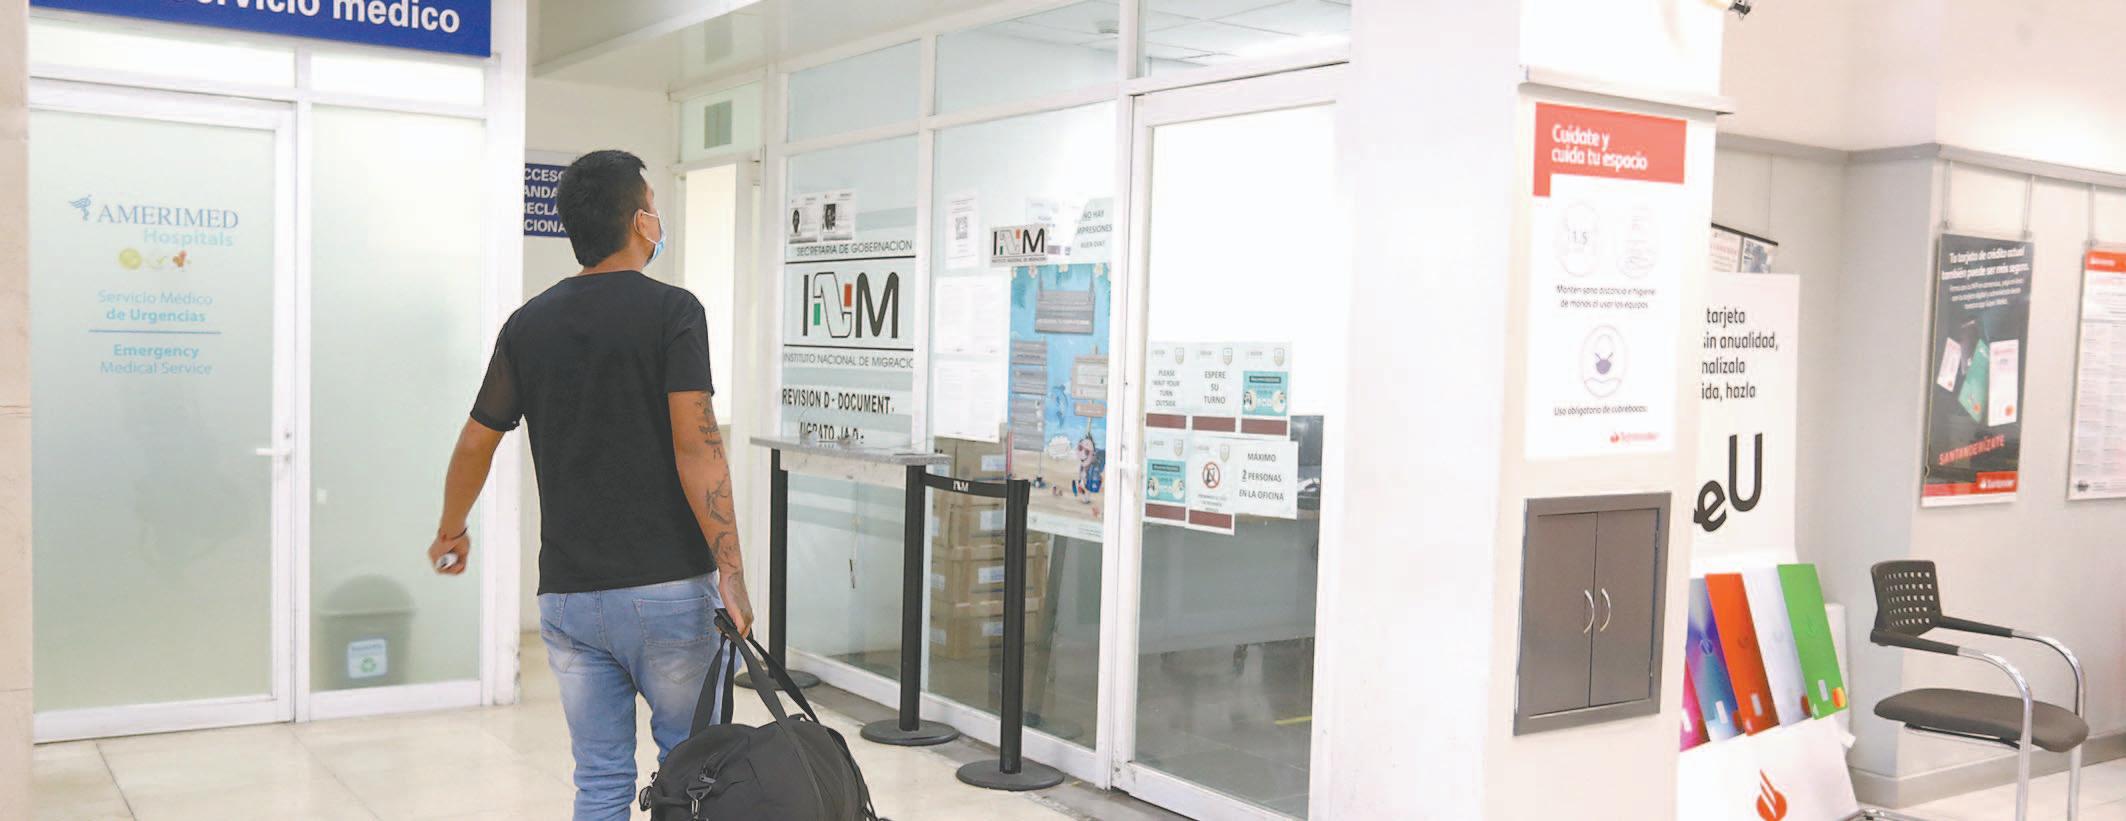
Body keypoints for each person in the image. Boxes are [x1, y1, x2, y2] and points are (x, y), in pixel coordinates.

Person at [425, 149, 753, 821]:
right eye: (653, 205)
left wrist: (451, 529)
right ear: (638, 221)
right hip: (668, 591)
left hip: (570, 598)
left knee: (600, 782)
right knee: (693, 778)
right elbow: (697, 446)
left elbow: (476, 441)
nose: (658, 217)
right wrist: (732, 570)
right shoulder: (674, 311)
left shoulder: (527, 325)